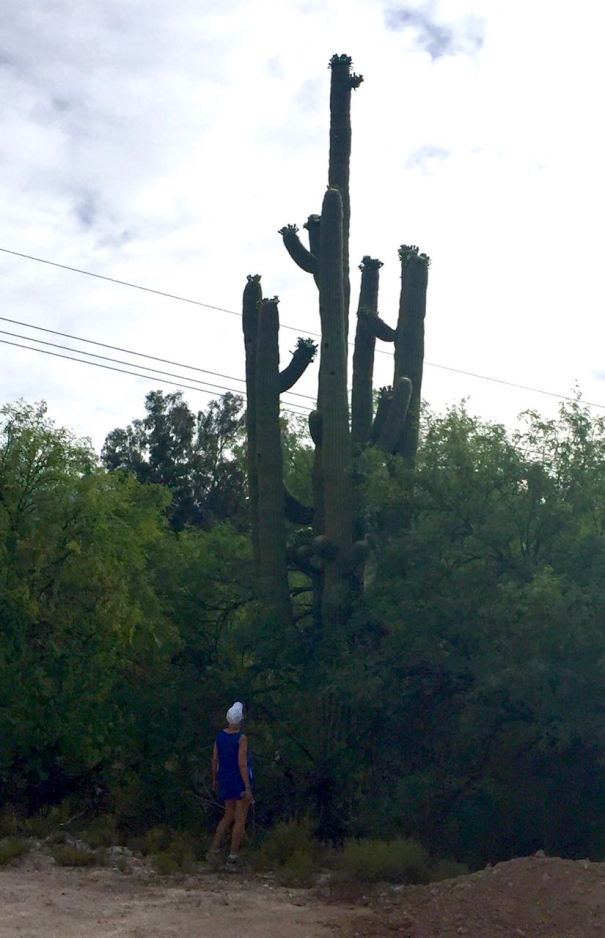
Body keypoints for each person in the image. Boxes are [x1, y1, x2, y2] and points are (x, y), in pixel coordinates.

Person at [207, 701, 253, 870]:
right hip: (238, 780)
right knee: (240, 817)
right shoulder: (241, 738)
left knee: (228, 814)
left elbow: (214, 759)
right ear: (240, 720)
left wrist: (215, 779)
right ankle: (232, 857)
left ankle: (214, 849)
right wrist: (247, 786)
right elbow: (242, 763)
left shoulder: (220, 736)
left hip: (224, 778)